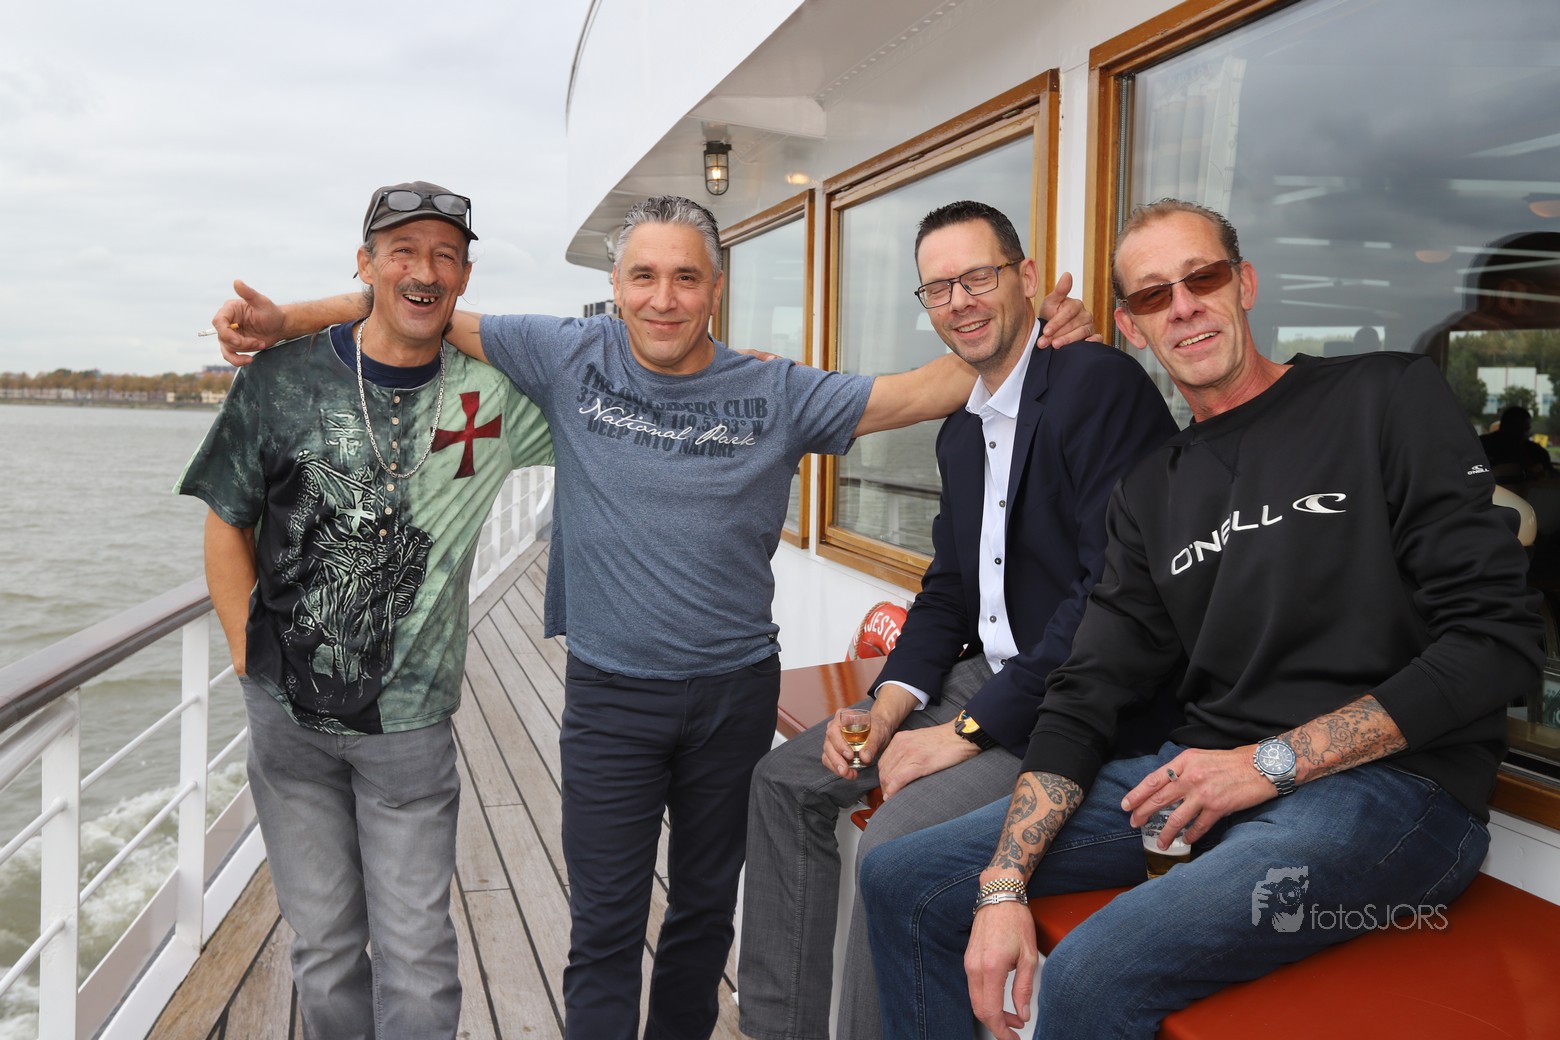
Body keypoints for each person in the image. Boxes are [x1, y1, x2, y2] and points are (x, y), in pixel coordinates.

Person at [209, 195, 1098, 1040]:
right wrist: (286, 321)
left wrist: (1028, 330)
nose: (663, 298)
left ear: (716, 289)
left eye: (685, 278)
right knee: (604, 926)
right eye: (643, 276)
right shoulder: (568, 355)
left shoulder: (776, 390)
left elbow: (922, 389)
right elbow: (423, 305)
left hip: (732, 696)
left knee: (704, 916)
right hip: (611, 701)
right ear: (616, 285)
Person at [858, 198, 1545, 1040]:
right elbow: (1087, 688)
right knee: (904, 878)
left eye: (1203, 278)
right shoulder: (1154, 488)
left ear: (1244, 283)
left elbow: (1497, 642)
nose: (1182, 306)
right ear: (1132, 326)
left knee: (1090, 974)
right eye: (1153, 295)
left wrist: (1269, 764)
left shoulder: (1382, 396)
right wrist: (1003, 884)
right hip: (1201, 779)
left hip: (1392, 791)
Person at [736, 201, 1176, 1040]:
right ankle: (779, 1028)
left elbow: (1106, 596)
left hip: (1074, 703)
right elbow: (947, 591)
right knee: (784, 783)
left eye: (978, 277)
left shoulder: (1095, 387)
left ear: (1027, 279)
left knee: (891, 849)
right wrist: (887, 706)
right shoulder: (963, 431)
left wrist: (964, 733)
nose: (960, 302)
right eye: (938, 288)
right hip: (993, 677)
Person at [177, 181, 554, 1040]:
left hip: (408, 728)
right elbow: (226, 520)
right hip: (284, 718)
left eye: (446, 257)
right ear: (364, 263)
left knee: (417, 960)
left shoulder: (494, 395)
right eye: (402, 253)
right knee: (324, 950)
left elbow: (607, 379)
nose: (425, 271)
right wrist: (244, 654)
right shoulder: (281, 379)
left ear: (466, 277)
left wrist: (718, 373)